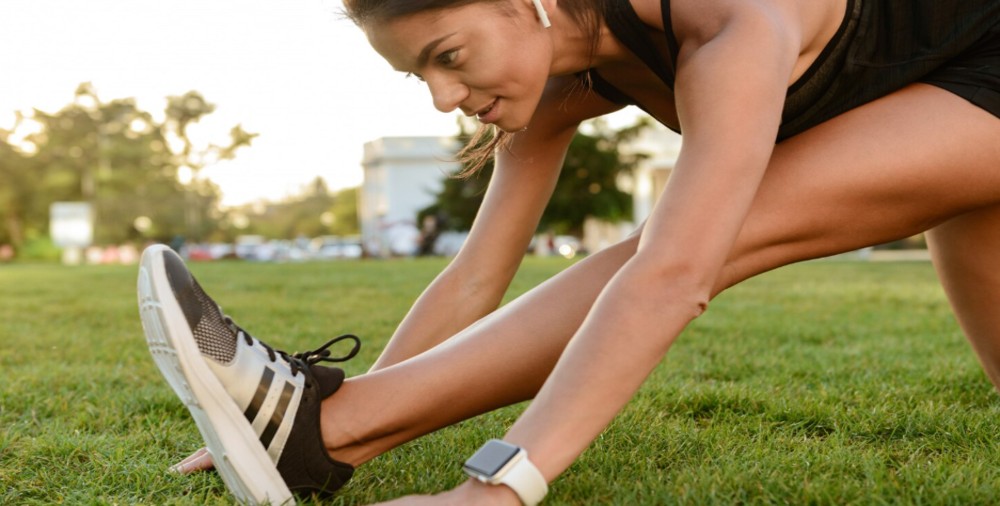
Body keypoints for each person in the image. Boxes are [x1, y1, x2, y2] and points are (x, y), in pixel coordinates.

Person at [137, 0, 1000, 504]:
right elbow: (478, 271)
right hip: (938, 85)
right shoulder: (557, 85)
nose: (443, 98)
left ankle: (319, 428)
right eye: (419, 77)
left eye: (448, 57)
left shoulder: (723, 16)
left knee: (711, 230)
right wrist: (349, 414)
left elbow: (677, 273)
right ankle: (318, 427)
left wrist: (500, 487)